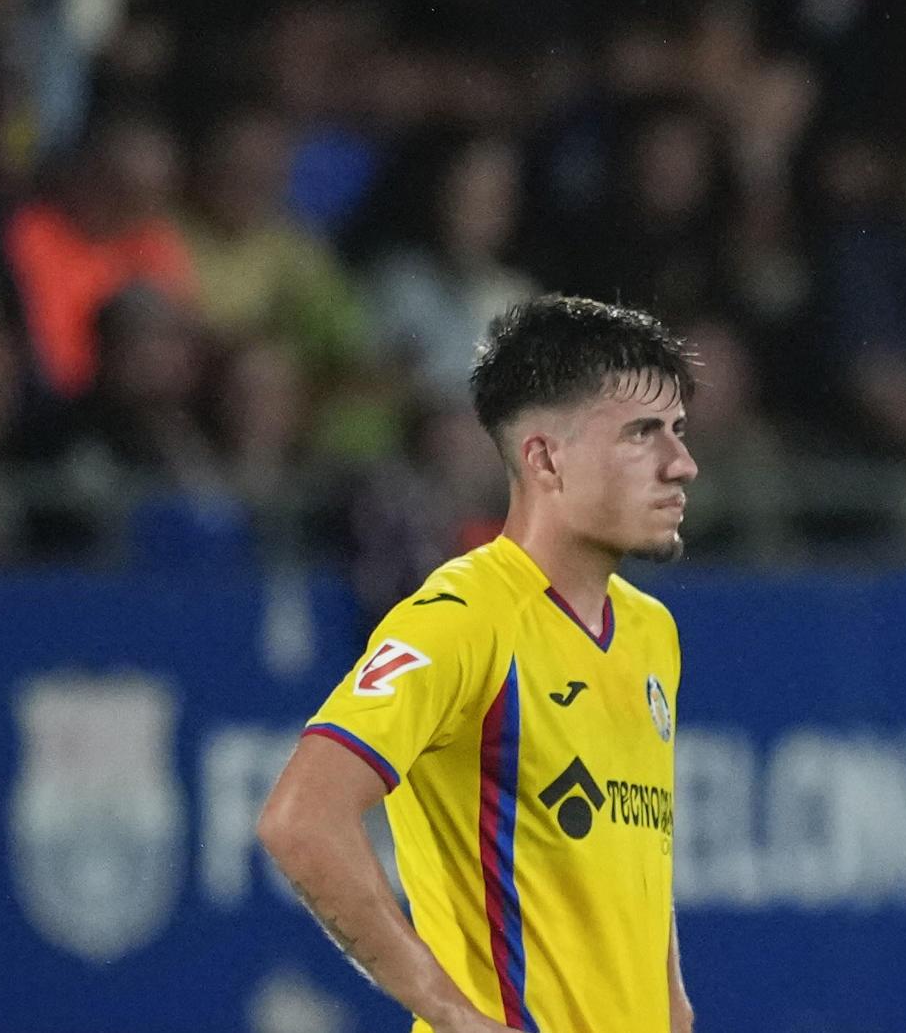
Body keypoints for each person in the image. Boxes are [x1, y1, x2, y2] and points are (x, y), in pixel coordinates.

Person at [259, 294, 700, 1033]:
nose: (681, 464)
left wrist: (672, 1006)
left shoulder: (651, 631)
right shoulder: (463, 620)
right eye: (642, 434)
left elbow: (631, 864)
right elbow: (301, 819)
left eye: (679, 432)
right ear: (545, 457)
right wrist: (448, 1012)